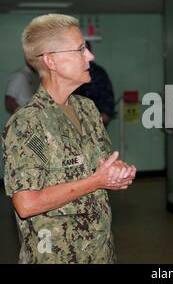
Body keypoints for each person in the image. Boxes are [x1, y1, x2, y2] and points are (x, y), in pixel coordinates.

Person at [2, 14, 137, 264]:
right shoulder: (28, 122)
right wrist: (96, 181)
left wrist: (116, 172)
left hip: (100, 252)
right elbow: (26, 204)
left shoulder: (87, 108)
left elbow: (101, 166)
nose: (90, 56)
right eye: (80, 50)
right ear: (50, 60)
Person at [74, 41, 115, 127]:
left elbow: (108, 97)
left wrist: (105, 115)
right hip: (74, 120)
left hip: (96, 122)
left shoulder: (98, 72)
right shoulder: (70, 72)